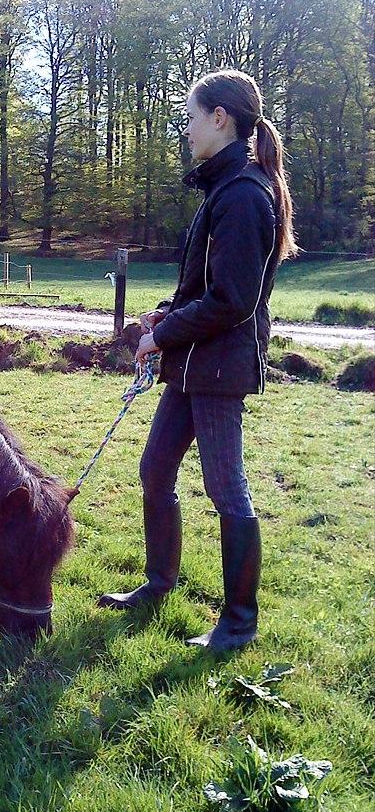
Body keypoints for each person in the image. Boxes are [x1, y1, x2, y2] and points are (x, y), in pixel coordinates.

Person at [99, 69, 298, 651]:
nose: (185, 131)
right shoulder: (223, 188)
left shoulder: (243, 195)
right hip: (192, 365)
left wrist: (161, 338)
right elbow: (201, 287)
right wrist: (164, 315)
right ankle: (159, 585)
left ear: (220, 118)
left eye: (191, 117)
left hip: (218, 369)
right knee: (155, 471)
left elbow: (233, 301)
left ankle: (238, 624)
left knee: (225, 488)